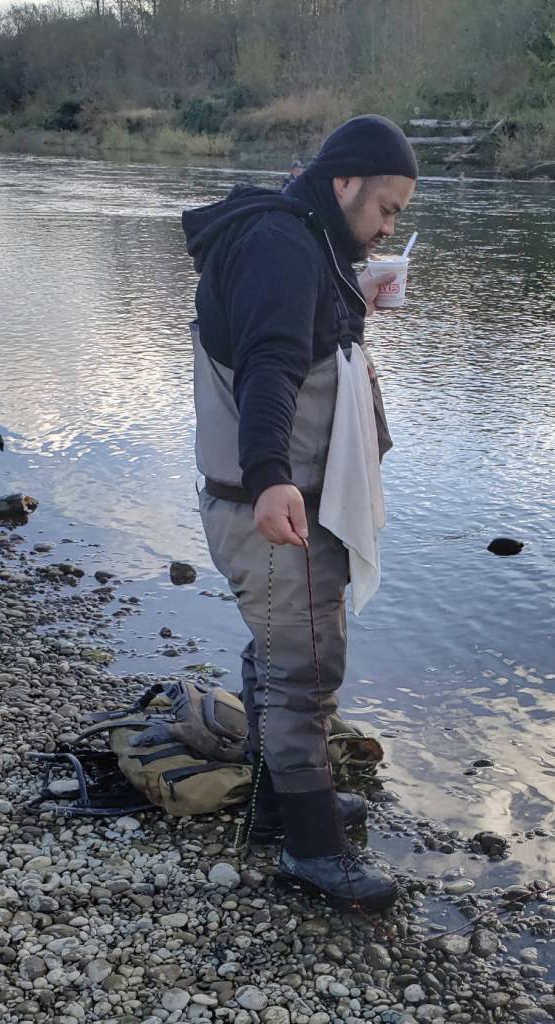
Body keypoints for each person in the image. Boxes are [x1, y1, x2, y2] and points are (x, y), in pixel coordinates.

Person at [181, 115, 417, 911]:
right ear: (344, 180)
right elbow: (271, 367)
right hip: (273, 507)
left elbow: (298, 334)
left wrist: (355, 300)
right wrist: (272, 476)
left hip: (272, 500)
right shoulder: (284, 247)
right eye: (386, 207)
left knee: (281, 649)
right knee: (305, 668)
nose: (391, 225)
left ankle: (280, 802)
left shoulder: (303, 237)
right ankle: (314, 856)